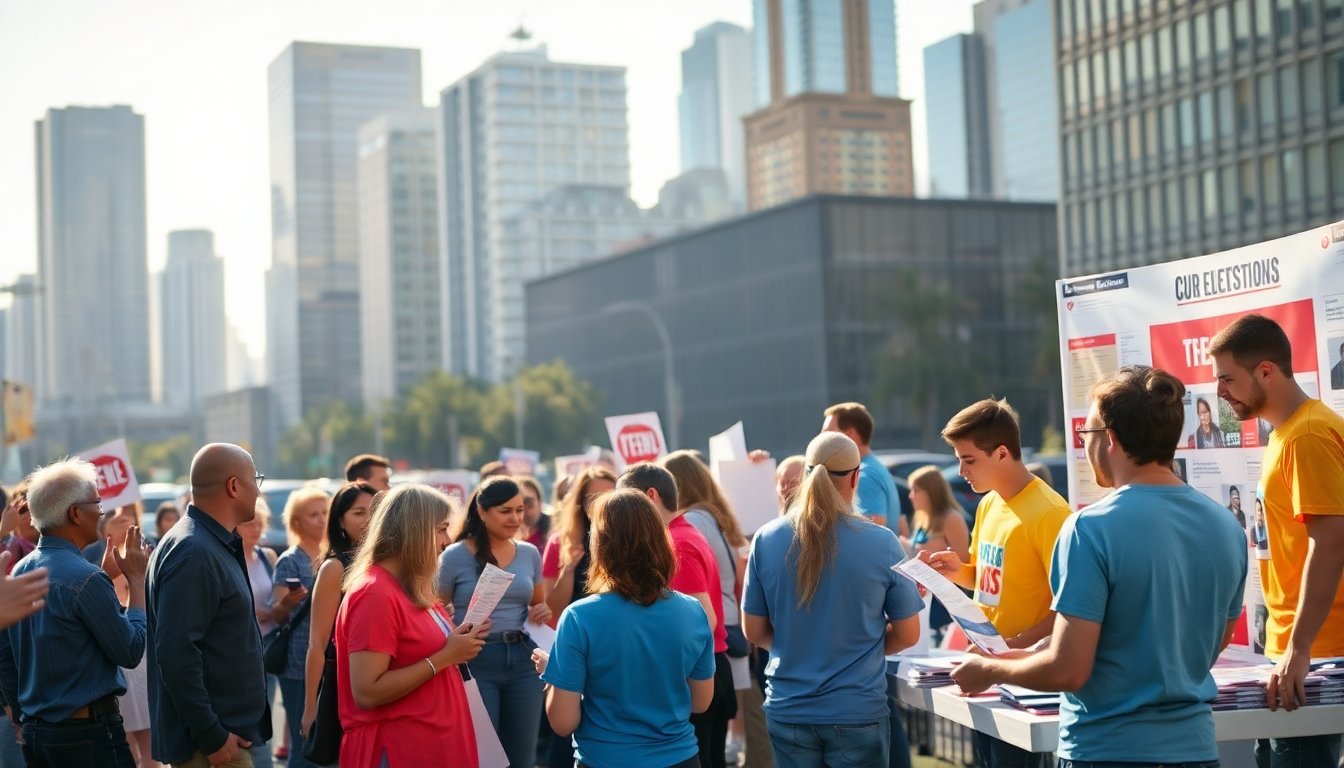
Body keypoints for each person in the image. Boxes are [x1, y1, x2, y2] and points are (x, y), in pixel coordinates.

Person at [952, 366, 1247, 764]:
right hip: (1194, 748)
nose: (1083, 445)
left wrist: (991, 671)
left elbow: (1068, 670)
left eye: (1085, 434)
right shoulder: (1226, 525)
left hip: (1106, 748)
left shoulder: (1089, 528)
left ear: (1110, 439)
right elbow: (1209, 644)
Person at [1210, 314, 1344, 764]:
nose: (1219, 392)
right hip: (1296, 653)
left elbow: (1330, 543)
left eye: (1227, 378)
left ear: (1265, 371)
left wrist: (1299, 650)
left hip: (1318, 657)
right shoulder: (1289, 433)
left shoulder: (1307, 435)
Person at [742, 432, 922, 767]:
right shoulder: (883, 543)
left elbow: (753, 630)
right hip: (856, 708)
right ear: (855, 478)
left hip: (789, 707)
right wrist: (860, 648)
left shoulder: (766, 538)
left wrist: (798, 647)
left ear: (806, 474)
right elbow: (909, 634)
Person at [919, 398, 1071, 768]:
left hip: (1025, 681)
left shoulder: (1051, 513)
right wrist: (958, 571)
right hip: (988, 672)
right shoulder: (989, 504)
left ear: (1002, 453)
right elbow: (990, 578)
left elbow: (1070, 609)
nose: (960, 471)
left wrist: (1011, 649)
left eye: (968, 460)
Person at [533, 488, 715, 768]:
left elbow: (563, 722)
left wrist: (557, 674)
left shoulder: (580, 617)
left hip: (605, 760)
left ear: (601, 544)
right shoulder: (693, 610)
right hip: (680, 758)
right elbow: (700, 702)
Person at [0, 459, 147, 766]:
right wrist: (136, 580)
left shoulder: (21, 570)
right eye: (97, 503)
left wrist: (21, 718)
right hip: (87, 734)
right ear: (75, 513)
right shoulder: (85, 578)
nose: (102, 512)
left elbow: (9, 658)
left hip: (37, 732)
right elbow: (130, 650)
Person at [336, 483, 489, 767]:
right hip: (399, 748)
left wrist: (458, 643)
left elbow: (421, 652)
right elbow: (367, 692)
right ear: (414, 530)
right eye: (441, 529)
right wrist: (446, 656)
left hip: (430, 745)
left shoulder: (409, 587)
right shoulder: (374, 593)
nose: (447, 541)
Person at [148, 443, 271, 767]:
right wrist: (212, 735)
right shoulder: (194, 551)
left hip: (222, 740)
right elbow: (175, 652)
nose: (258, 491)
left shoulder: (205, 542)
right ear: (233, 486)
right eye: (255, 480)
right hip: (211, 749)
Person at [620, 461, 734, 768]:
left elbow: (702, 619)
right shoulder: (683, 533)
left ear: (651, 496)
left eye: (627, 502)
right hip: (706, 670)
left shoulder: (676, 542)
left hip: (696, 676)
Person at [437, 477, 551, 768]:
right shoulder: (454, 556)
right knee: (482, 756)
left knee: (522, 757)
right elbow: (434, 610)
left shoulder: (529, 553)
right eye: (505, 511)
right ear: (482, 511)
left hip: (524, 658)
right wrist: (454, 624)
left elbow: (537, 602)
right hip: (475, 657)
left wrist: (541, 610)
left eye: (520, 510)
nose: (515, 518)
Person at [300, 481, 376, 756]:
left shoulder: (386, 563)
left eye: (374, 512)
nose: (369, 520)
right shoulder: (334, 567)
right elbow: (317, 644)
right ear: (340, 521)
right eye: (359, 513)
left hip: (381, 684)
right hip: (343, 684)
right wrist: (311, 706)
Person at [270, 486, 329, 768]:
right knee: (303, 741)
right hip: (297, 661)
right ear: (297, 522)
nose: (321, 519)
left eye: (325, 512)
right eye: (313, 514)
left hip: (327, 660)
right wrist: (289, 602)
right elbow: (278, 614)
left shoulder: (331, 555)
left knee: (322, 742)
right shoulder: (290, 560)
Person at [97, 503, 157, 768]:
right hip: (117, 658)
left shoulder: (147, 553)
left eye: (128, 515)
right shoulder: (93, 557)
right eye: (115, 517)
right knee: (124, 743)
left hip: (144, 656)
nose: (124, 520)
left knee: (150, 742)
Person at [905, 465, 971, 635]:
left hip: (945, 604)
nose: (911, 496)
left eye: (916, 490)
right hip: (924, 597)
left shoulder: (952, 519)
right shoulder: (922, 519)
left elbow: (963, 563)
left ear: (931, 492)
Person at [237, 499, 277, 768]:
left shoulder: (267, 556)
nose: (256, 529)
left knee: (268, 714)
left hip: (269, 644)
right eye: (250, 524)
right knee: (249, 719)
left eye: (260, 524)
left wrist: (275, 610)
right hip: (244, 650)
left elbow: (277, 596)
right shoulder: (229, 558)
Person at [822, 402, 903, 533]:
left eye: (828, 432)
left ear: (850, 434)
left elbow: (872, 534)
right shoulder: (875, 468)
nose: (822, 438)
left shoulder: (865, 475)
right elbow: (902, 526)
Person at [517, 475, 551, 550]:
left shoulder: (552, 537)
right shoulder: (508, 542)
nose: (525, 510)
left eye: (529, 503)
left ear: (540, 503)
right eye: (519, 506)